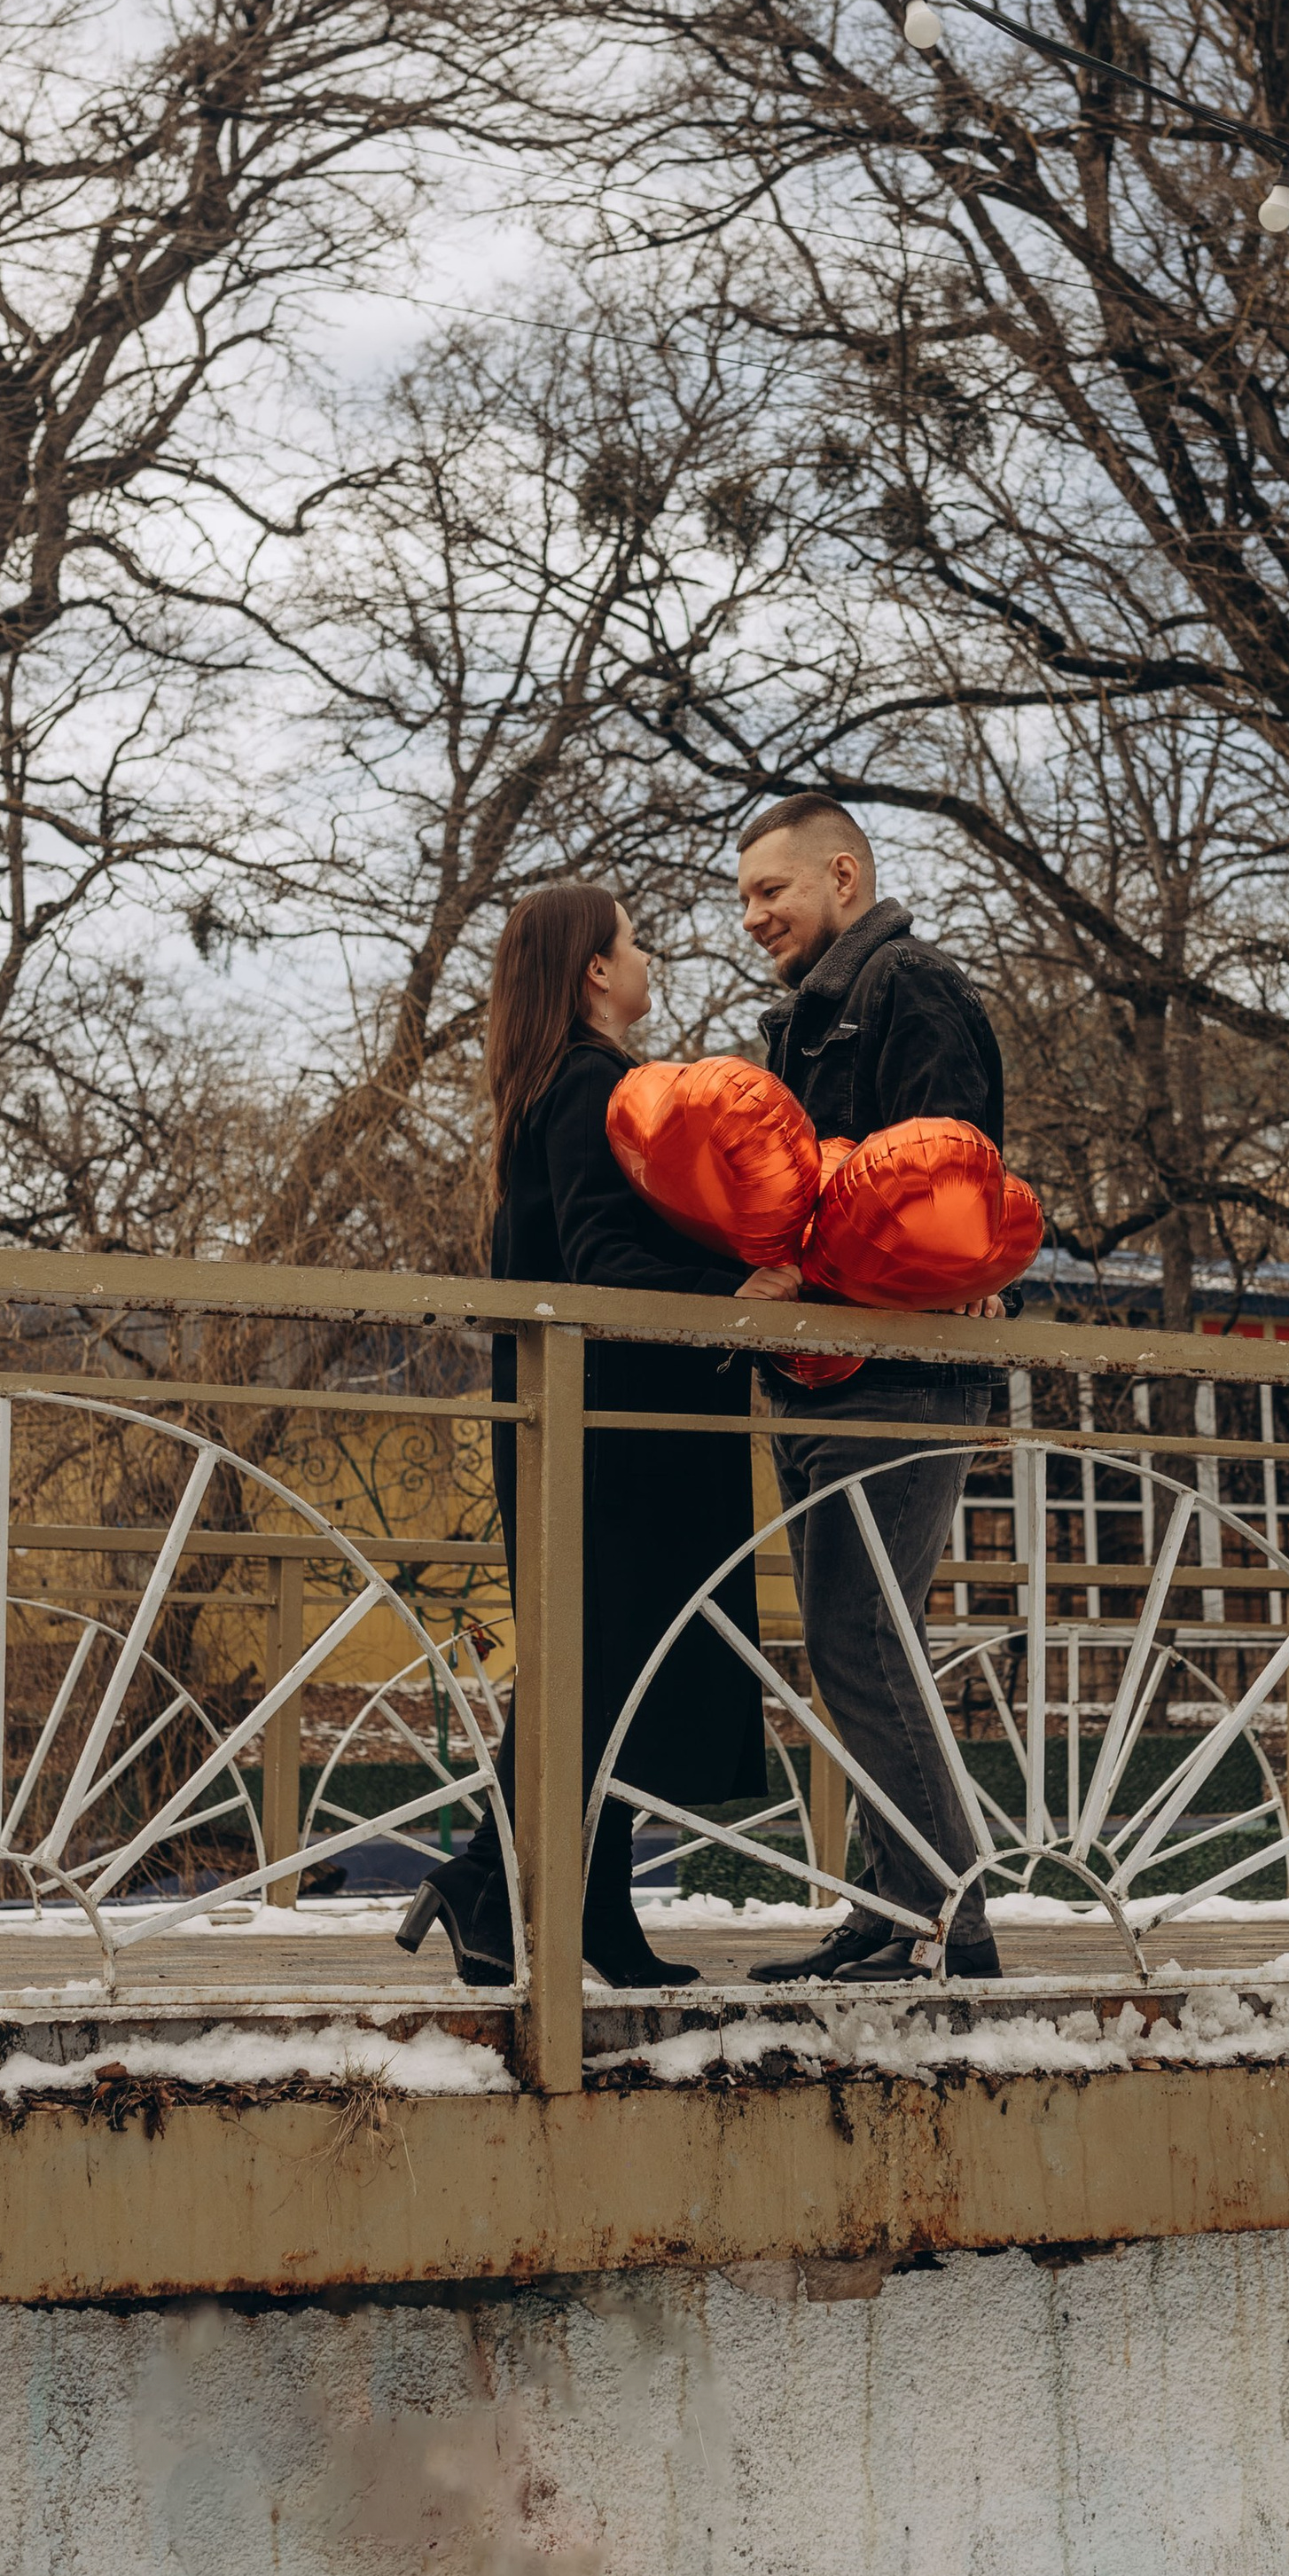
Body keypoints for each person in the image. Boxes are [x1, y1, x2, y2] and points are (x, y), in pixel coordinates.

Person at [401, 883, 799, 1988]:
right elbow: (599, 1260)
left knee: (595, 1670)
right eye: (633, 942)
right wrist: (732, 1294)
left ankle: (556, 1905)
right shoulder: (592, 1084)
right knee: (605, 1670)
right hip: (612, 1435)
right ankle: (503, 1884)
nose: (646, 959)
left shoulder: (558, 1083)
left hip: (582, 1422)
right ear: (593, 970)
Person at [738, 792, 1009, 1985]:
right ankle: (896, 1906)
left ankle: (953, 1924)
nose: (753, 916)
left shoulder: (910, 989)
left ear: (841, 876)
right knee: (847, 1641)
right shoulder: (798, 1022)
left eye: (771, 891)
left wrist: (811, 1268)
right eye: (745, 898)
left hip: (897, 1372)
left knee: (863, 1636)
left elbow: (944, 1184)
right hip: (818, 1373)